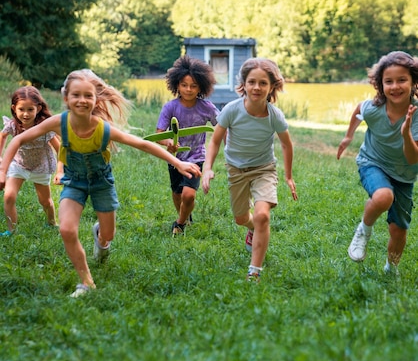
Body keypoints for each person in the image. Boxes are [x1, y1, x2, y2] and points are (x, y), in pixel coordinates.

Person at [0, 69, 201, 298]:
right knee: (66, 229)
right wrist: (3, 171)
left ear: (95, 100)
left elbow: (142, 144)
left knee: (109, 235)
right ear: (66, 98)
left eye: (88, 96)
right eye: (76, 95)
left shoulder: (101, 127)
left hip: (101, 183)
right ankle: (86, 282)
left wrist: (178, 163)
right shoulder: (58, 122)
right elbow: (18, 139)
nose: (82, 100)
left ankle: (101, 239)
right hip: (74, 182)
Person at [202, 57, 298, 282]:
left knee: (262, 215)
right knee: (241, 217)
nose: (257, 87)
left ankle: (254, 271)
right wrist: (207, 168)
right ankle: (252, 230)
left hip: (264, 169)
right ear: (243, 84)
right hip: (236, 170)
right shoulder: (232, 110)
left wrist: (289, 176)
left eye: (263, 83)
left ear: (271, 86)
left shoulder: (274, 116)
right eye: (252, 82)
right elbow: (215, 141)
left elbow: (286, 144)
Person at [337, 51, 418, 275]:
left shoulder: (417, 114)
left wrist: (406, 134)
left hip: (405, 173)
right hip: (372, 162)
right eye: (388, 81)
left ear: (413, 82)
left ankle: (391, 270)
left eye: (402, 80)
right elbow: (358, 110)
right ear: (380, 85)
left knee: (399, 230)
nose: (395, 86)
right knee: (383, 196)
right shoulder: (374, 107)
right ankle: (364, 229)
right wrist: (348, 136)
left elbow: (413, 158)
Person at [156, 54, 218, 235]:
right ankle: (184, 216)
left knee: (188, 194)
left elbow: (221, 127)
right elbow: (159, 135)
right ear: (176, 85)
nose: (188, 89)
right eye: (184, 85)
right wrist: (168, 142)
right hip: (175, 158)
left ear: (201, 86)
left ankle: (179, 224)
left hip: (197, 157)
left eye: (193, 86)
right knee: (177, 194)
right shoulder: (170, 107)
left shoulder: (207, 107)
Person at [0, 86, 61, 235]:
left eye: (30, 110)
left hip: (41, 167)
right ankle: (11, 230)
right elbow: (2, 136)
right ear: (14, 108)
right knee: (9, 195)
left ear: (38, 108)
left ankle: (52, 223)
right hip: (19, 165)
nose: (25, 114)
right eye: (21, 109)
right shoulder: (13, 125)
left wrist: (62, 169)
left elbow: (60, 148)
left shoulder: (45, 127)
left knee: (45, 201)